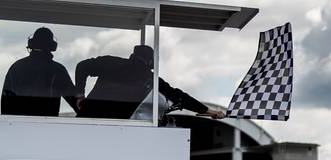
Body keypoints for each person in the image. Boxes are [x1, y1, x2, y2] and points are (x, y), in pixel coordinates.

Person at [75, 45, 226, 120]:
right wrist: (208, 111)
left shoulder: (111, 62)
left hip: (86, 117)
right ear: (151, 62)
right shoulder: (149, 78)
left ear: (132, 55)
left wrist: (80, 94)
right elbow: (178, 96)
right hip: (117, 127)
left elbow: (81, 66)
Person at [1, 28, 77, 117]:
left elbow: (5, 106)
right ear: (52, 46)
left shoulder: (16, 67)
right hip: (46, 127)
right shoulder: (58, 70)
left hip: (19, 127)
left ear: (31, 44)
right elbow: (76, 103)